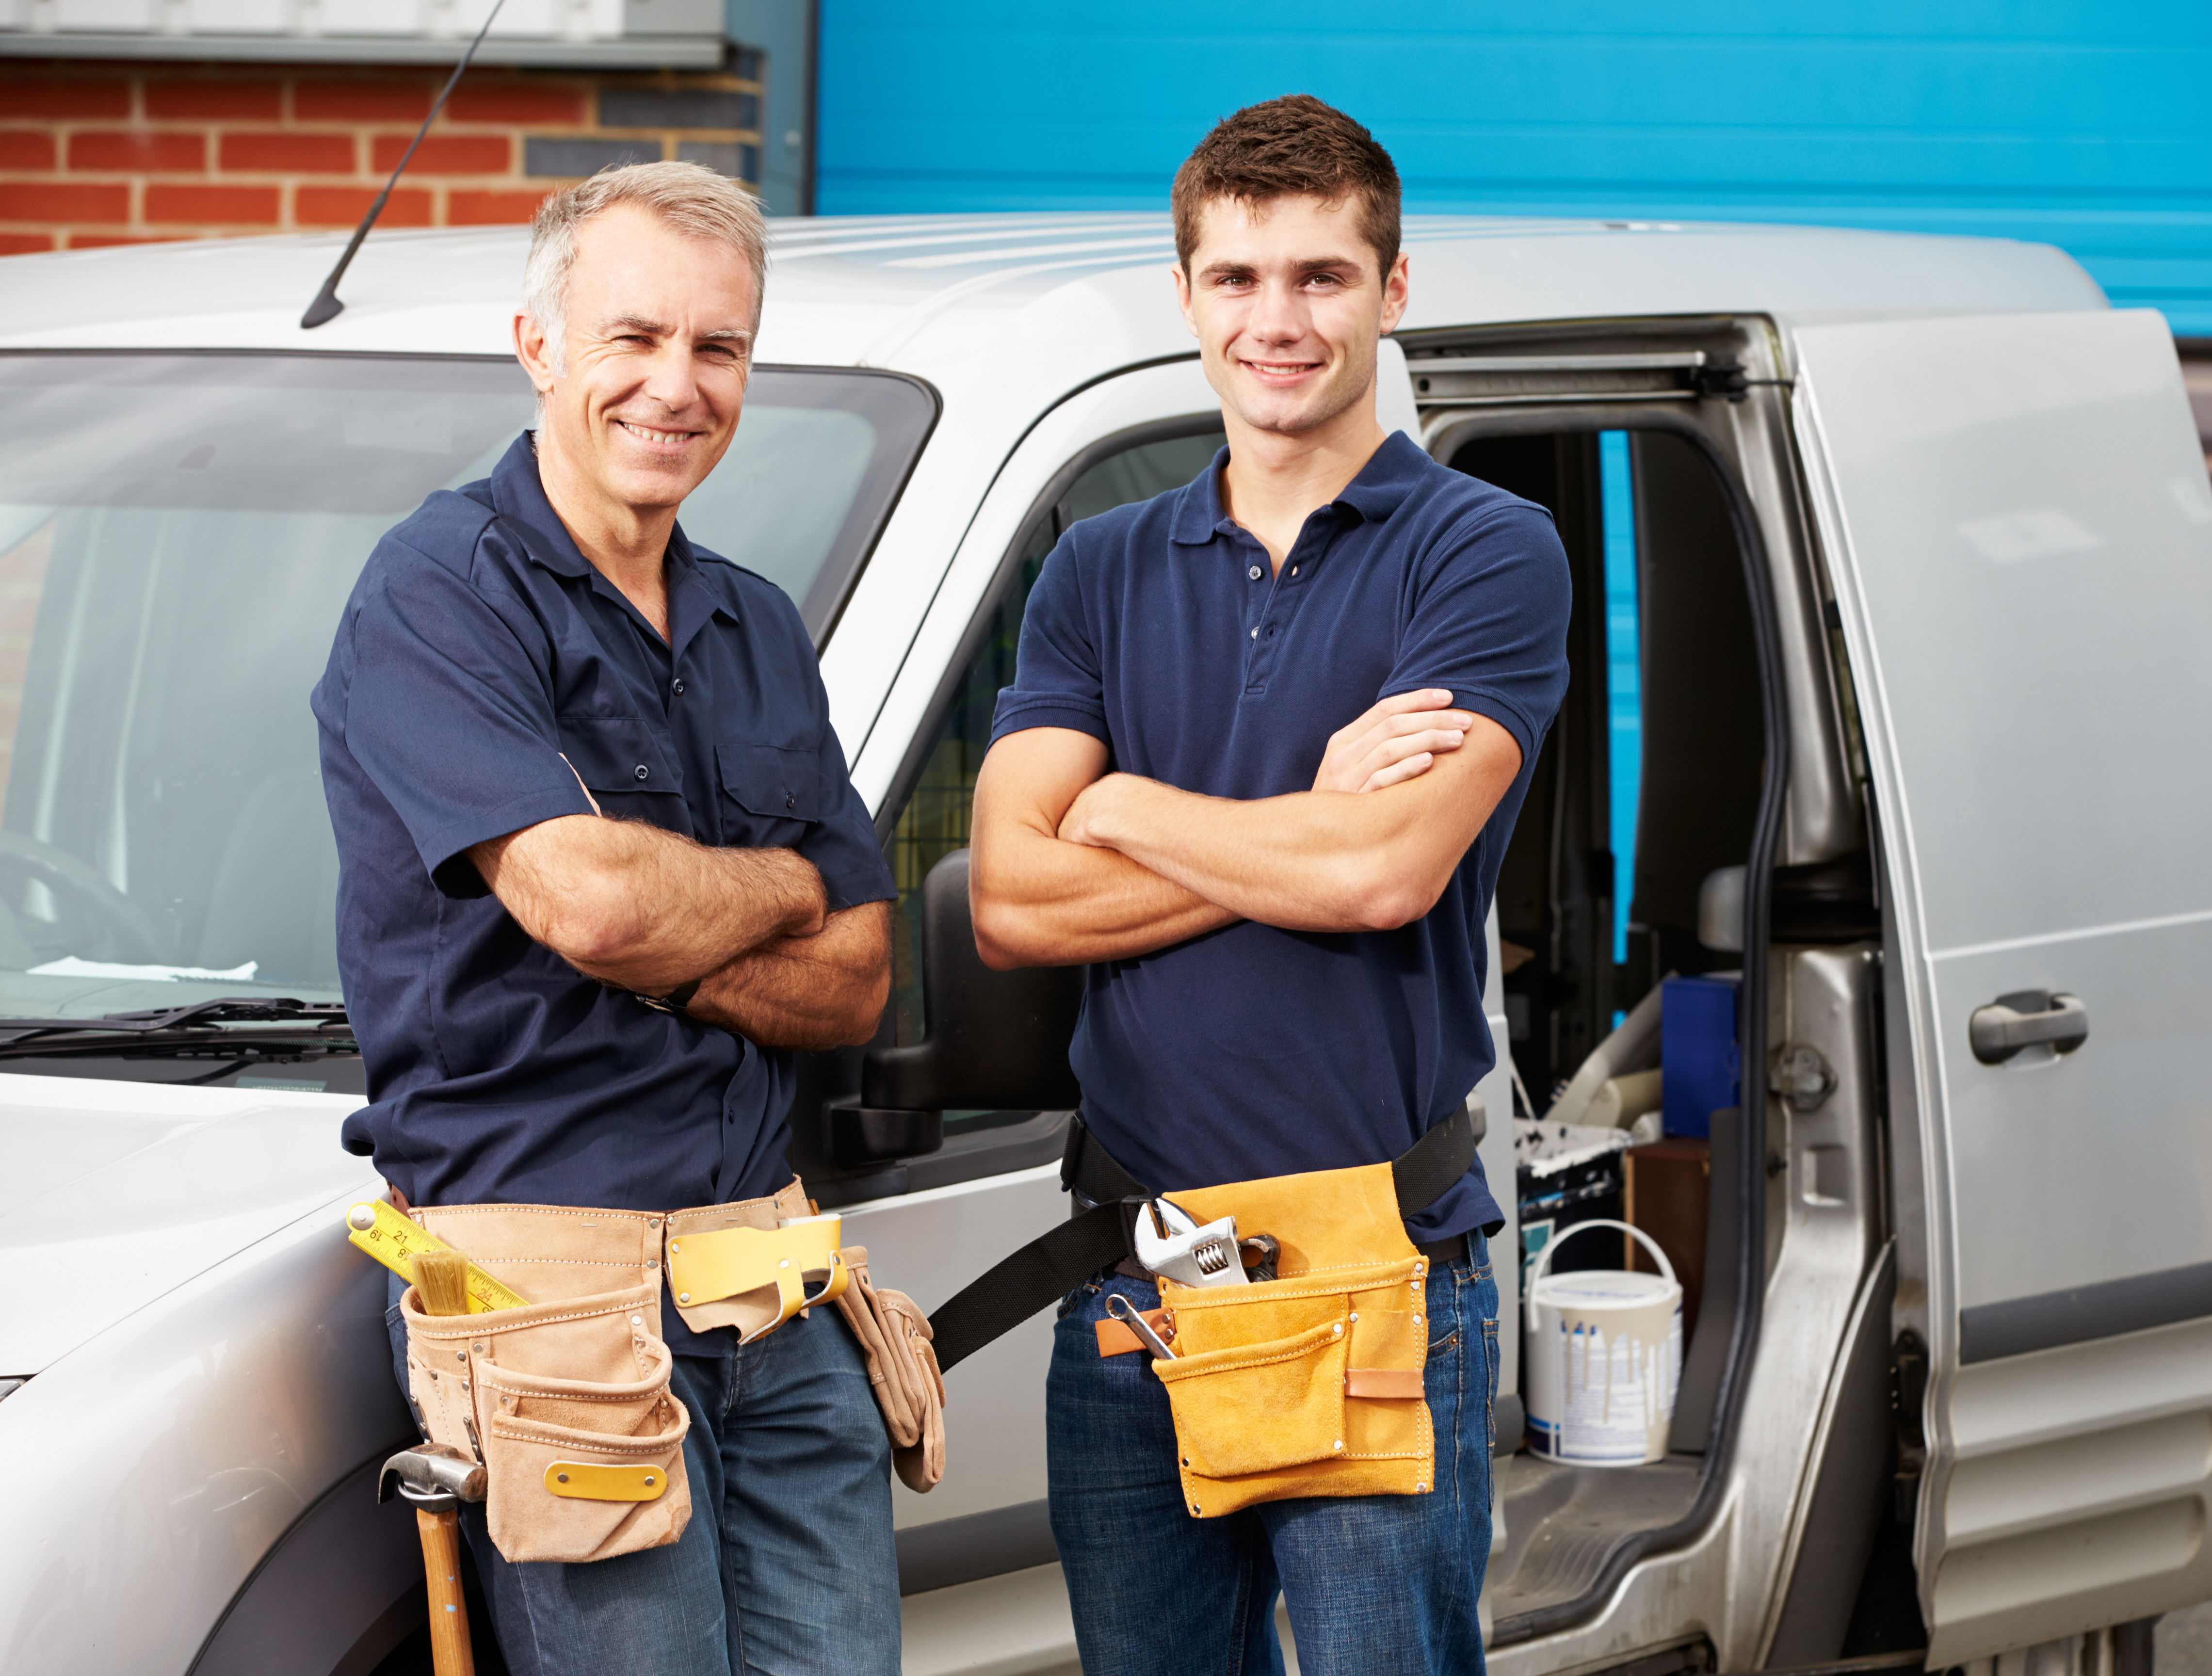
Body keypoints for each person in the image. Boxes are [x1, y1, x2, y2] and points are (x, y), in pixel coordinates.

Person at [968, 95, 1572, 1676]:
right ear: (1186, 297)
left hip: (1376, 1263)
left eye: (1319, 275)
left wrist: (1122, 802)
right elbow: (1013, 904)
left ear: (1393, 288)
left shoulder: (1484, 552)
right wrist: (1296, 813)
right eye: (1236, 279)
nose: (1276, 319)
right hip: (1135, 1283)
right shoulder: (1098, 568)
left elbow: (1382, 874)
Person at [311, 162, 903, 1676]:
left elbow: (855, 980)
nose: (676, 385)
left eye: (719, 348)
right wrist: (774, 884)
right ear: (539, 346)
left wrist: (673, 916)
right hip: (547, 1299)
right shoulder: (438, 594)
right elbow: (593, 909)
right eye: (632, 337)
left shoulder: (753, 622)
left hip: (767, 1283)